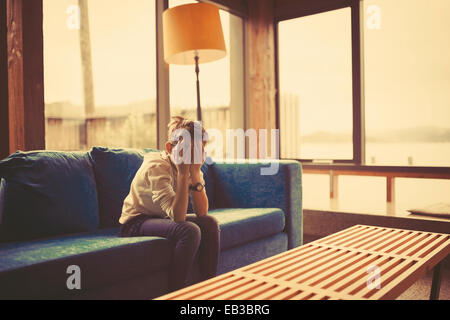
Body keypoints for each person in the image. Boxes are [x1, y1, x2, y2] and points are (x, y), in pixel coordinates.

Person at [119, 116, 220, 291]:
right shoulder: (156, 166)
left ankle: (208, 288)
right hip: (136, 222)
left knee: (210, 223)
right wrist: (182, 175)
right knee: (189, 230)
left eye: (198, 150)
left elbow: (202, 212)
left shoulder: (192, 166)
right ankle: (176, 292)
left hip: (162, 217)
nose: (192, 156)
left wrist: (195, 173)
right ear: (169, 148)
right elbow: (179, 217)